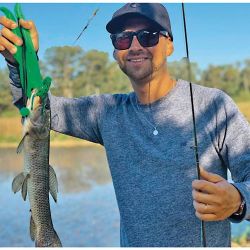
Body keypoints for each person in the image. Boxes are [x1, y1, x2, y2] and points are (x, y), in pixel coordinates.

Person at [1, 3, 250, 247]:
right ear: (115, 52)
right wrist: (22, 62)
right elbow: (39, 107)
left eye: (148, 36)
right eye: (122, 39)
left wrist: (238, 201)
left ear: (170, 45)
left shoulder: (215, 106)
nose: (135, 46)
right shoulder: (106, 112)